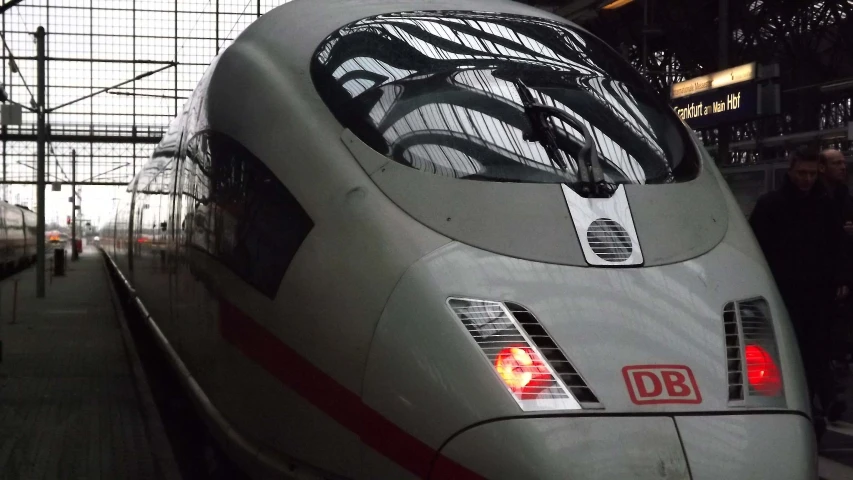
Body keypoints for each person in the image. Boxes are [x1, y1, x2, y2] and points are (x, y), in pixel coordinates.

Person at [749, 146, 849, 427]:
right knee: (803, 347)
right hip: (790, 288)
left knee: (813, 346)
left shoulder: (816, 204)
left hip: (814, 289)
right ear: (791, 171)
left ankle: (815, 401)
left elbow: (836, 246)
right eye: (802, 173)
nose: (806, 179)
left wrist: (840, 278)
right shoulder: (775, 206)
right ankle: (818, 401)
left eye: (810, 173)